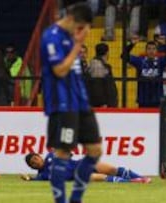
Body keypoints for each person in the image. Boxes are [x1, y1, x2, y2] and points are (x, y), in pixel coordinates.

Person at [40, 3, 102, 203]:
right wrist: (77, 46)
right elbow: (60, 70)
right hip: (62, 104)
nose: (81, 32)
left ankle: (75, 199)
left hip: (80, 102)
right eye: (81, 27)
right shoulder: (52, 36)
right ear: (72, 19)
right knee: (63, 152)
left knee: (95, 150)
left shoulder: (69, 36)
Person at [21, 152, 151, 183]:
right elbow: (34, 180)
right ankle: (131, 182)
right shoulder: (42, 175)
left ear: (39, 156)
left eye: (35, 158)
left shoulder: (52, 155)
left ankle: (140, 177)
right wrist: (28, 179)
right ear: (33, 167)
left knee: (112, 169)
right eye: (33, 163)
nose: (36, 162)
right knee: (95, 177)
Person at [122, 38, 166, 107]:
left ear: (156, 51)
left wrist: (164, 45)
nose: (151, 51)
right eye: (149, 49)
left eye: (153, 49)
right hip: (143, 100)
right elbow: (123, 55)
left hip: (157, 99)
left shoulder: (160, 61)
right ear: (146, 51)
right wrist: (131, 44)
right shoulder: (140, 61)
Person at [87, 43, 118, 107]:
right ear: (107, 52)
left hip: (107, 103)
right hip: (103, 104)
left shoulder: (100, 65)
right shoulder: (97, 65)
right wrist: (102, 102)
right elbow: (97, 86)